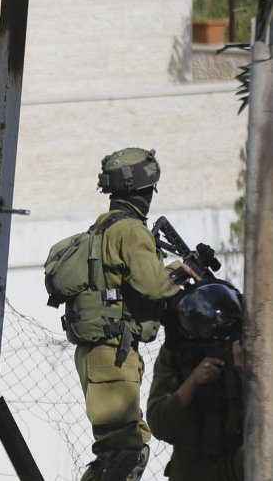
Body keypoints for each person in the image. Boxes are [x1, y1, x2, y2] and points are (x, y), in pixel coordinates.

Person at [69, 147, 196, 481]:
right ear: (144, 188)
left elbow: (131, 282)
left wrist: (175, 268)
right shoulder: (131, 230)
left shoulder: (104, 225)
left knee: (124, 448)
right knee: (124, 454)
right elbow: (153, 286)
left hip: (103, 353)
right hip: (113, 353)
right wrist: (184, 272)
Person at [147, 279, 244, 481]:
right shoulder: (177, 354)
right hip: (193, 463)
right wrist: (193, 381)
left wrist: (246, 375)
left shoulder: (248, 347)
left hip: (237, 456)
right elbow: (159, 425)